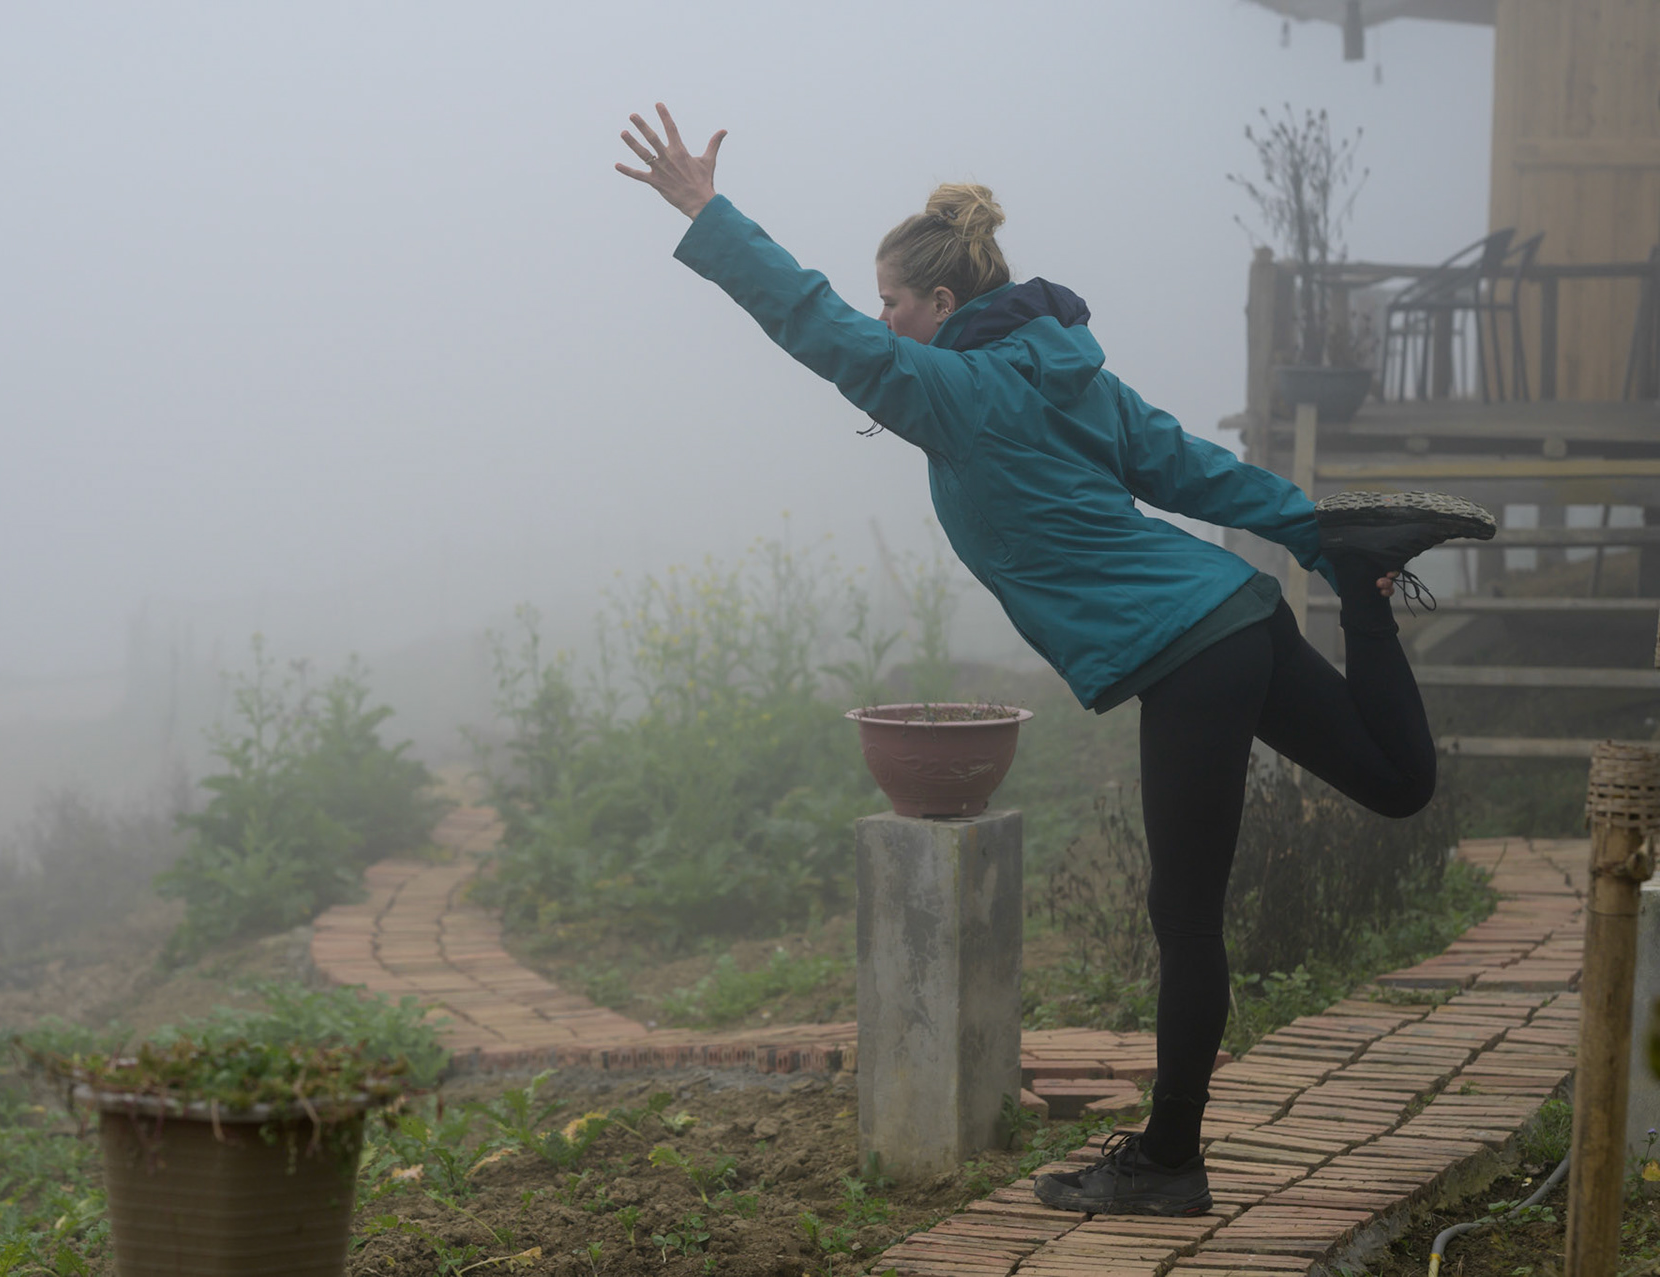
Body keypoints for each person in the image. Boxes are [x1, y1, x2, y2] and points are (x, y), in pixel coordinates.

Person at [615, 104, 1493, 1217]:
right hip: (1239, 612)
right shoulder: (1071, 375)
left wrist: (708, 213)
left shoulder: (951, 392)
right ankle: (1366, 591)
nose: (882, 319)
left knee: (1186, 915)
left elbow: (815, 322)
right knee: (1398, 783)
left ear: (942, 304)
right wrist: (1318, 538)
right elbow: (1189, 467)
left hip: (1189, 649)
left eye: (893, 301)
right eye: (879, 303)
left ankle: (1168, 1162)